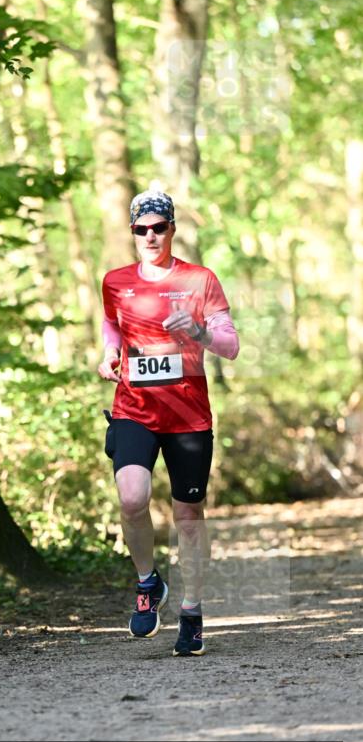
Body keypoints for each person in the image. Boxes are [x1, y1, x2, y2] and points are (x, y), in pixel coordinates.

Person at [98, 188, 239, 656]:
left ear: (172, 229)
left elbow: (230, 345)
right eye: (141, 229)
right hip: (134, 409)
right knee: (133, 497)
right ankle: (147, 583)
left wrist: (197, 332)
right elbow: (112, 324)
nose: (150, 236)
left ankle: (193, 613)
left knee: (188, 516)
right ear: (133, 232)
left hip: (188, 416)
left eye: (159, 227)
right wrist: (107, 354)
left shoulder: (201, 280)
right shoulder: (116, 281)